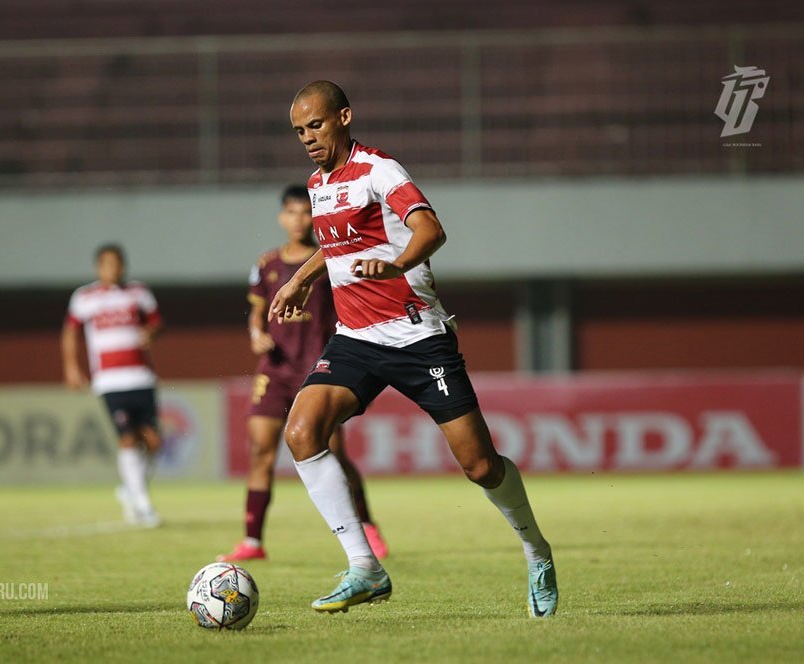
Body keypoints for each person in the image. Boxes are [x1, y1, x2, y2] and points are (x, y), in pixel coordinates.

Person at [270, 81, 559, 616]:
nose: (308, 138)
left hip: (418, 336)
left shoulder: (381, 170)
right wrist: (303, 278)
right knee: (301, 431)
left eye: (316, 125)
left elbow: (431, 230)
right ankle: (365, 568)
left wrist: (397, 264)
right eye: (299, 131)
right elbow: (338, 247)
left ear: (345, 117)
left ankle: (536, 549)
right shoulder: (317, 183)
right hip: (356, 338)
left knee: (479, 467)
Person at [217, 185, 388, 563]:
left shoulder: (332, 259)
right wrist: (257, 334)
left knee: (335, 455)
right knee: (261, 449)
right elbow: (257, 315)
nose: (298, 220)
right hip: (275, 370)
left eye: (305, 212)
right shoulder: (267, 265)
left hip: (320, 366)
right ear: (282, 217)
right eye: (291, 213)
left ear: (315, 216)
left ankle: (367, 524)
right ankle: (252, 541)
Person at [62, 245, 163, 527]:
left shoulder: (139, 293)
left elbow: (157, 323)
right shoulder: (85, 297)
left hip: (141, 376)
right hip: (110, 380)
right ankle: (142, 504)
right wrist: (71, 368)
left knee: (154, 442)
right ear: (98, 267)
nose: (113, 269)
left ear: (124, 266)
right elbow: (70, 333)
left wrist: (151, 333)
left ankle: (130, 488)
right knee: (128, 437)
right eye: (107, 264)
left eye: (117, 264)